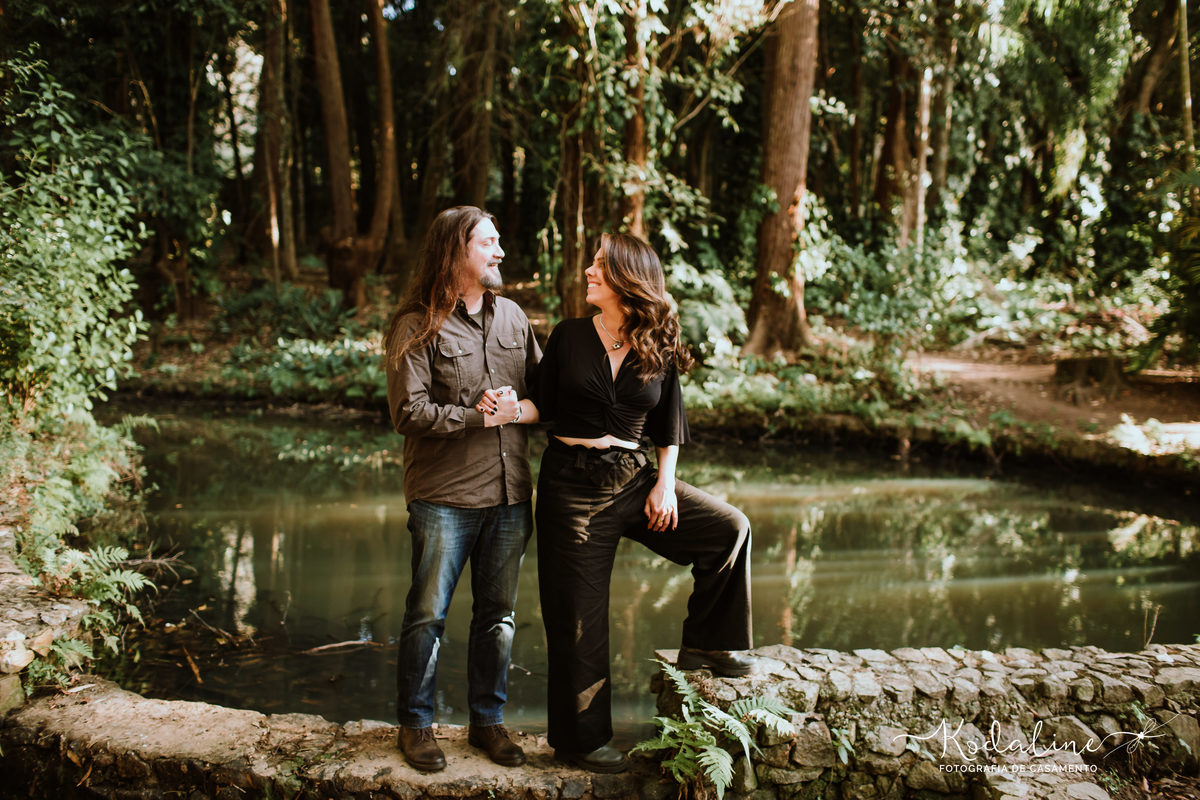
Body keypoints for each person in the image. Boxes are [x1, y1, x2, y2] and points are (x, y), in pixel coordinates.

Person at [530, 232, 755, 774]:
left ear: (627, 277)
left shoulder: (658, 341)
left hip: (634, 480)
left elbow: (670, 422)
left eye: (600, 265)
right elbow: (539, 403)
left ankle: (707, 645)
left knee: (729, 528)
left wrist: (664, 484)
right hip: (571, 490)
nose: (588, 270)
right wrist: (506, 410)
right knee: (579, 622)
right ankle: (580, 741)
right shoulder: (567, 336)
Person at [384, 206, 541, 772]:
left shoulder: (515, 318)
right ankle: (418, 726)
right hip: (443, 498)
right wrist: (479, 418)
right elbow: (409, 413)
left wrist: (519, 409)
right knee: (427, 614)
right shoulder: (416, 324)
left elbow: (543, 396)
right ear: (456, 251)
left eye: (499, 241)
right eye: (489, 242)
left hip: (509, 497)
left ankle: (487, 723)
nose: (500, 251)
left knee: (498, 616)